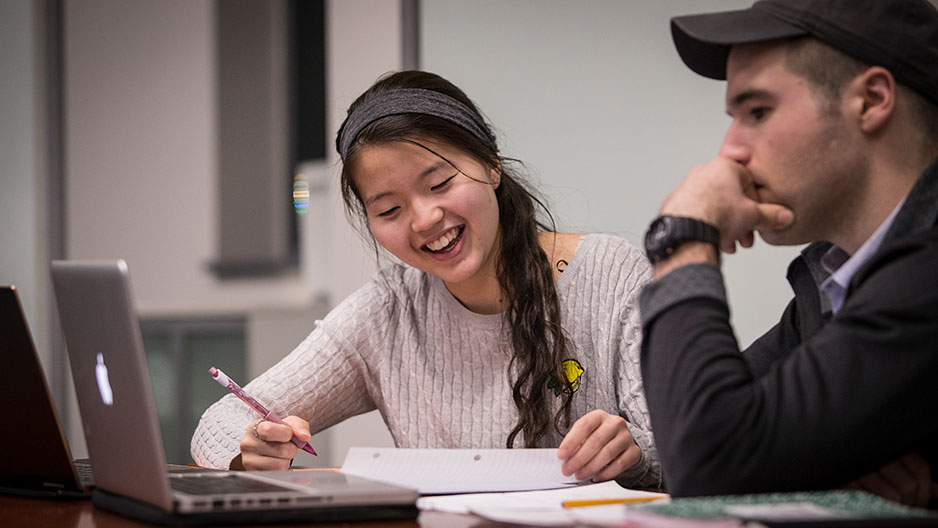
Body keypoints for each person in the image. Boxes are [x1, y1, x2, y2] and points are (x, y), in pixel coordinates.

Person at [191, 70, 661, 489]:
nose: (424, 219)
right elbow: (220, 422)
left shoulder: (609, 275)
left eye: (439, 184)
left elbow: (688, 457)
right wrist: (249, 451)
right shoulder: (390, 313)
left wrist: (633, 456)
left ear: (491, 165)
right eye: (389, 209)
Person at [639, 0, 938, 506]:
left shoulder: (926, 272)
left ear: (870, 100)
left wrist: (684, 234)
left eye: (758, 111)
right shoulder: (832, 278)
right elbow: (695, 435)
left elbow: (708, 457)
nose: (729, 150)